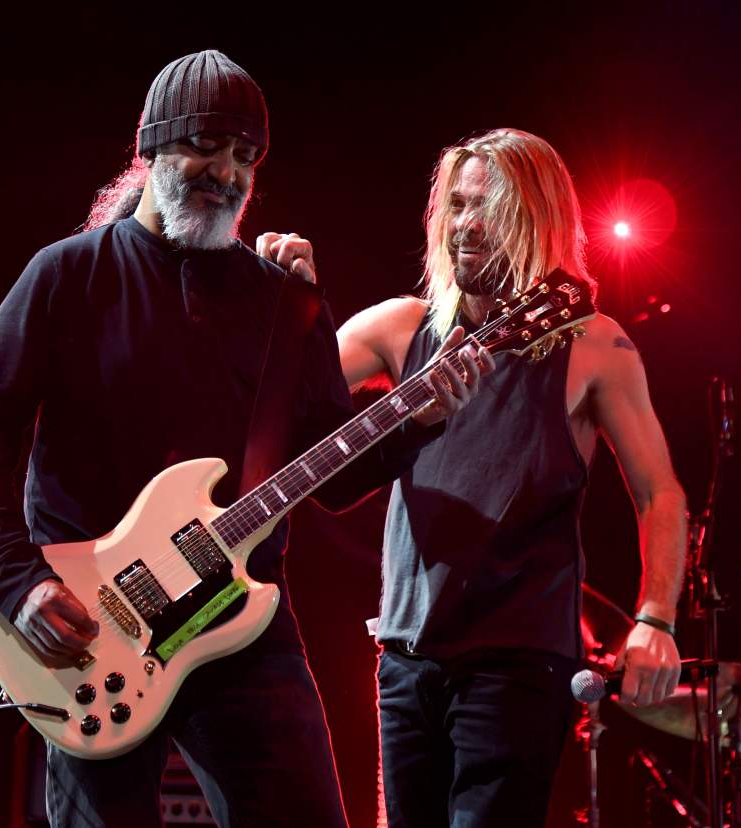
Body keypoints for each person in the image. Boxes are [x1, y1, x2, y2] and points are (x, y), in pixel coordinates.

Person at [0, 50, 489, 828]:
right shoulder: (67, 275)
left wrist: (414, 423)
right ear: (153, 147)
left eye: (245, 157)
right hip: (95, 625)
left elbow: (329, 470)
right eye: (207, 146)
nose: (227, 173)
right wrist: (14, 578)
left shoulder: (282, 301)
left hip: (242, 626)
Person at [264, 128, 688, 826]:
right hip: (405, 654)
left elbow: (659, 491)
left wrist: (656, 619)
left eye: (486, 209)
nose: (465, 225)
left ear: (536, 222)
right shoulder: (403, 328)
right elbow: (277, 402)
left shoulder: (596, 346)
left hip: (517, 662)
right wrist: (290, 306)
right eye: (456, 205)